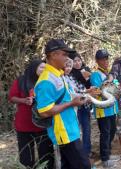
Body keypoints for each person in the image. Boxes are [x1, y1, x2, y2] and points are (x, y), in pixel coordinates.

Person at [34, 39, 92, 169]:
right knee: (84, 165)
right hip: (64, 133)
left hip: (70, 129)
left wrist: (86, 95)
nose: (67, 58)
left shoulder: (59, 75)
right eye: (64, 54)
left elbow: (69, 97)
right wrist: (71, 103)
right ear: (53, 55)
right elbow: (44, 112)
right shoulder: (46, 81)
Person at [9, 60, 54, 169]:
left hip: (42, 122)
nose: (44, 70)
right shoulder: (21, 81)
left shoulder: (47, 81)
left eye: (45, 68)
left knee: (46, 153)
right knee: (26, 156)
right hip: (24, 123)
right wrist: (24, 100)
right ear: (34, 68)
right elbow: (12, 97)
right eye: (41, 67)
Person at [90, 49, 119, 168]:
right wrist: (110, 82)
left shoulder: (109, 73)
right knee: (105, 133)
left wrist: (113, 83)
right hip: (102, 110)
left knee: (112, 131)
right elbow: (99, 91)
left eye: (107, 58)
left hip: (112, 108)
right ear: (97, 61)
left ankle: (108, 153)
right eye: (103, 59)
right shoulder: (95, 74)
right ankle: (105, 158)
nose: (106, 61)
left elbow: (116, 87)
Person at [68, 51, 93, 157]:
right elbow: (75, 90)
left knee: (87, 128)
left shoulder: (86, 70)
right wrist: (88, 90)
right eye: (74, 61)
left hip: (86, 105)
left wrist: (87, 78)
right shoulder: (69, 74)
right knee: (77, 129)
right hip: (75, 106)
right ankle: (78, 152)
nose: (77, 63)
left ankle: (87, 151)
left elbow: (90, 84)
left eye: (79, 60)